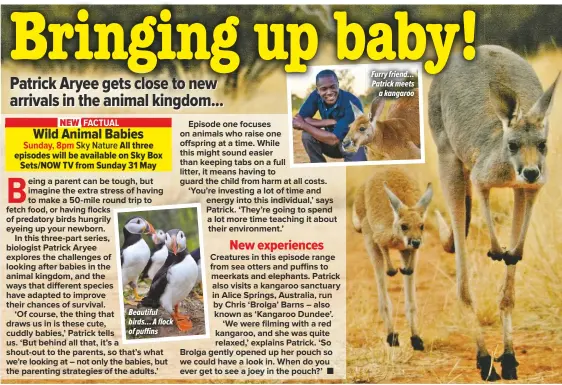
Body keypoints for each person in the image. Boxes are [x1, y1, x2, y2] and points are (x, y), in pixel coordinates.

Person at [293, 69, 365, 163]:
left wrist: (304, 125)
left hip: (351, 146)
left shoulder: (353, 103)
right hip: (330, 144)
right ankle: (319, 168)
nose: (329, 92)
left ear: (338, 85)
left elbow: (333, 139)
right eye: (324, 89)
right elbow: (297, 121)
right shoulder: (315, 96)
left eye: (333, 87)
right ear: (317, 90)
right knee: (307, 135)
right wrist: (328, 122)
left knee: (356, 167)